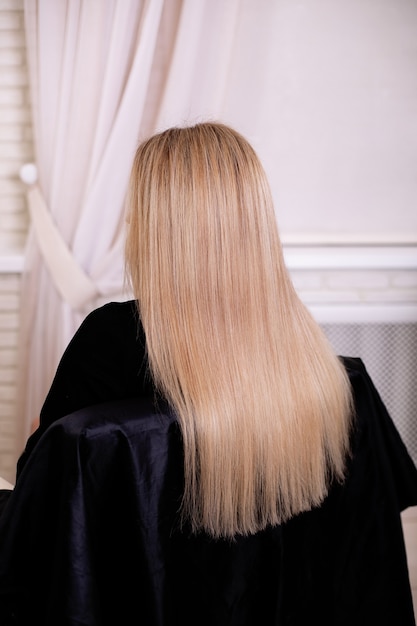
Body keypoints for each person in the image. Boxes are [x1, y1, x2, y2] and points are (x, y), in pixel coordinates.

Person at [0, 122, 417, 625]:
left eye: (135, 216)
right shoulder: (316, 363)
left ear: (157, 232)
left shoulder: (108, 342)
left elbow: (43, 513)